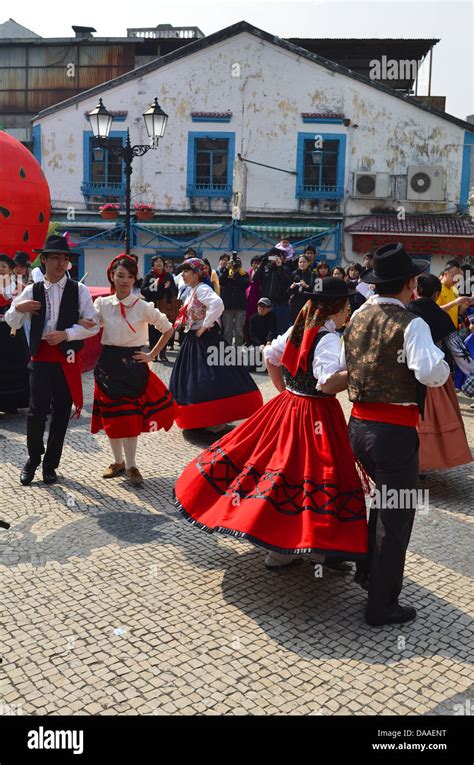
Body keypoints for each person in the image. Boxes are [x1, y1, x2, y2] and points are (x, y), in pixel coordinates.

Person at [174, 277, 369, 570]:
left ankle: (280, 548)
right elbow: (327, 383)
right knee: (315, 474)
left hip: (288, 405)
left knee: (278, 470)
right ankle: (312, 546)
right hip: (315, 412)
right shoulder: (328, 339)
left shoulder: (298, 329)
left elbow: (269, 354)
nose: (349, 312)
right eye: (347, 306)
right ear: (336, 308)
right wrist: (360, 370)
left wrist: (283, 391)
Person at [342, 242, 450, 626]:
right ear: (410, 284)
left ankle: (369, 573)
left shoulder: (356, 317)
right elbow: (429, 373)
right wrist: (442, 364)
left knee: (383, 505)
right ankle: (381, 605)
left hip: (358, 427)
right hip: (393, 433)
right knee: (397, 515)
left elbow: (343, 365)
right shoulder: (412, 323)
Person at [5, 235, 100, 485]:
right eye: (56, 257)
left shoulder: (78, 290)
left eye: (65, 257)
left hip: (67, 357)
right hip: (41, 356)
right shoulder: (32, 289)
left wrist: (67, 334)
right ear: (43, 259)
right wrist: (19, 309)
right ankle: (33, 458)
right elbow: (12, 321)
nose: (61, 262)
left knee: (60, 412)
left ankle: (51, 465)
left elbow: (93, 325)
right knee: (36, 411)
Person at [91, 255, 177, 486]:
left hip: (133, 366)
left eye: (130, 276)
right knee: (111, 417)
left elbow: (168, 329)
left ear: (135, 279)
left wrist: (151, 355)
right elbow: (89, 325)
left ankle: (131, 466)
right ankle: (117, 462)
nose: (124, 280)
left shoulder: (143, 306)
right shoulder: (101, 304)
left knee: (129, 419)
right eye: (120, 275)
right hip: (107, 364)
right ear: (112, 276)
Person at [169, 258, 263, 434]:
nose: (183, 275)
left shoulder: (202, 289)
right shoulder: (193, 290)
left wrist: (205, 325)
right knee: (196, 380)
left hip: (204, 338)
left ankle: (214, 420)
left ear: (196, 274)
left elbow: (218, 304)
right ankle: (201, 419)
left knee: (210, 380)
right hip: (194, 338)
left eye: (186, 271)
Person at [407, 274, 473, 472]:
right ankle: (425, 464)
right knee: (430, 422)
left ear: (416, 291)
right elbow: (458, 350)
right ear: (437, 294)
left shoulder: (405, 311)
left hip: (405, 375)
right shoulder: (442, 317)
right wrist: (470, 369)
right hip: (434, 379)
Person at [0, 254, 30, 414]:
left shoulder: (20, 287)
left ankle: (15, 403)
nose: (0, 269)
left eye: (4, 266)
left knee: (16, 365)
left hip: (14, 333)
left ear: (11, 269)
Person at [253, 250, 291, 335]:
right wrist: (263, 263)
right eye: (272, 256)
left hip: (280, 303)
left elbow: (287, 281)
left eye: (276, 256)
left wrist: (279, 267)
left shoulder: (285, 268)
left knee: (280, 327)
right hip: (266, 303)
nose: (274, 258)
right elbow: (255, 279)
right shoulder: (265, 268)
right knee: (266, 328)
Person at [219, 255, 249, 347]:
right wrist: (227, 269)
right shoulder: (226, 272)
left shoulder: (243, 274)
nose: (235, 265)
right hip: (227, 306)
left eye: (237, 263)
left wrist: (237, 272)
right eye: (233, 263)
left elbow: (244, 284)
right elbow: (221, 282)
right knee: (227, 330)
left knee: (239, 331)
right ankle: (227, 350)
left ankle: (238, 350)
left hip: (240, 306)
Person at [436, 259, 470, 328]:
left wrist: (467, 303)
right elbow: (435, 310)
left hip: (452, 331)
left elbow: (458, 312)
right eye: (454, 276)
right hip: (442, 331)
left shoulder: (453, 289)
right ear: (446, 274)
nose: (456, 279)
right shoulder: (437, 289)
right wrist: (454, 302)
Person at [288, 255, 315, 322]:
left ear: (308, 263)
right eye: (300, 262)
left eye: (304, 262)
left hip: (308, 304)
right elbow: (288, 291)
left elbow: (318, 291)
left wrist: (307, 286)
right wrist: (291, 287)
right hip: (295, 305)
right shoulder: (293, 274)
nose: (302, 264)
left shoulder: (314, 275)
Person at [243, 256, 261, 344]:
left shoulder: (261, 273)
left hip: (257, 302)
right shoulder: (247, 273)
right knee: (246, 322)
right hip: (247, 302)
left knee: (255, 322)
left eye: (258, 263)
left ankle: (255, 340)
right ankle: (247, 339)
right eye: (254, 263)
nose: (256, 265)